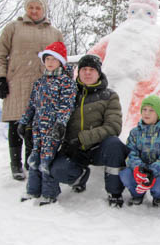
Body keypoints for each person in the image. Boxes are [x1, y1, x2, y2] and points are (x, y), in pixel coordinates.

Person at [0, 0, 63, 181]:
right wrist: (0, 78)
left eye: (37, 8)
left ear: (44, 10)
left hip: (43, 85)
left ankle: (29, 162)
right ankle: (15, 165)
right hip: (17, 82)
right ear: (26, 8)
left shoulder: (54, 32)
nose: (34, 11)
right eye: (30, 7)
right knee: (16, 123)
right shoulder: (13, 28)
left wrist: (61, 83)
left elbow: (61, 60)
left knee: (36, 125)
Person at [50, 54, 129, 208]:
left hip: (98, 148)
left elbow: (113, 126)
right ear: (78, 72)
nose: (87, 73)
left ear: (98, 73)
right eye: (84, 69)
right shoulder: (68, 93)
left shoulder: (109, 96)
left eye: (91, 69)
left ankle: (114, 192)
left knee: (115, 145)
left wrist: (82, 139)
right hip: (72, 149)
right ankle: (80, 176)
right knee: (58, 170)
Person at [18, 42, 77, 205]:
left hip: (53, 129)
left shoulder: (66, 83)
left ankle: (49, 193)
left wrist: (60, 123)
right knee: (34, 158)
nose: (50, 62)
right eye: (47, 59)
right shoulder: (40, 82)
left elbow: (67, 105)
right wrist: (24, 122)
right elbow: (31, 105)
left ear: (61, 62)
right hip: (38, 128)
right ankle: (33, 190)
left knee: (47, 160)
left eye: (54, 59)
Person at [119, 95, 160, 207]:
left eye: (151, 110)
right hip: (139, 170)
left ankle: (158, 196)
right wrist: (140, 169)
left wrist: (152, 171)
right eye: (144, 109)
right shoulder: (135, 132)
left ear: (158, 113)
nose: (146, 113)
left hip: (156, 172)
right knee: (125, 174)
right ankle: (137, 194)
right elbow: (130, 153)